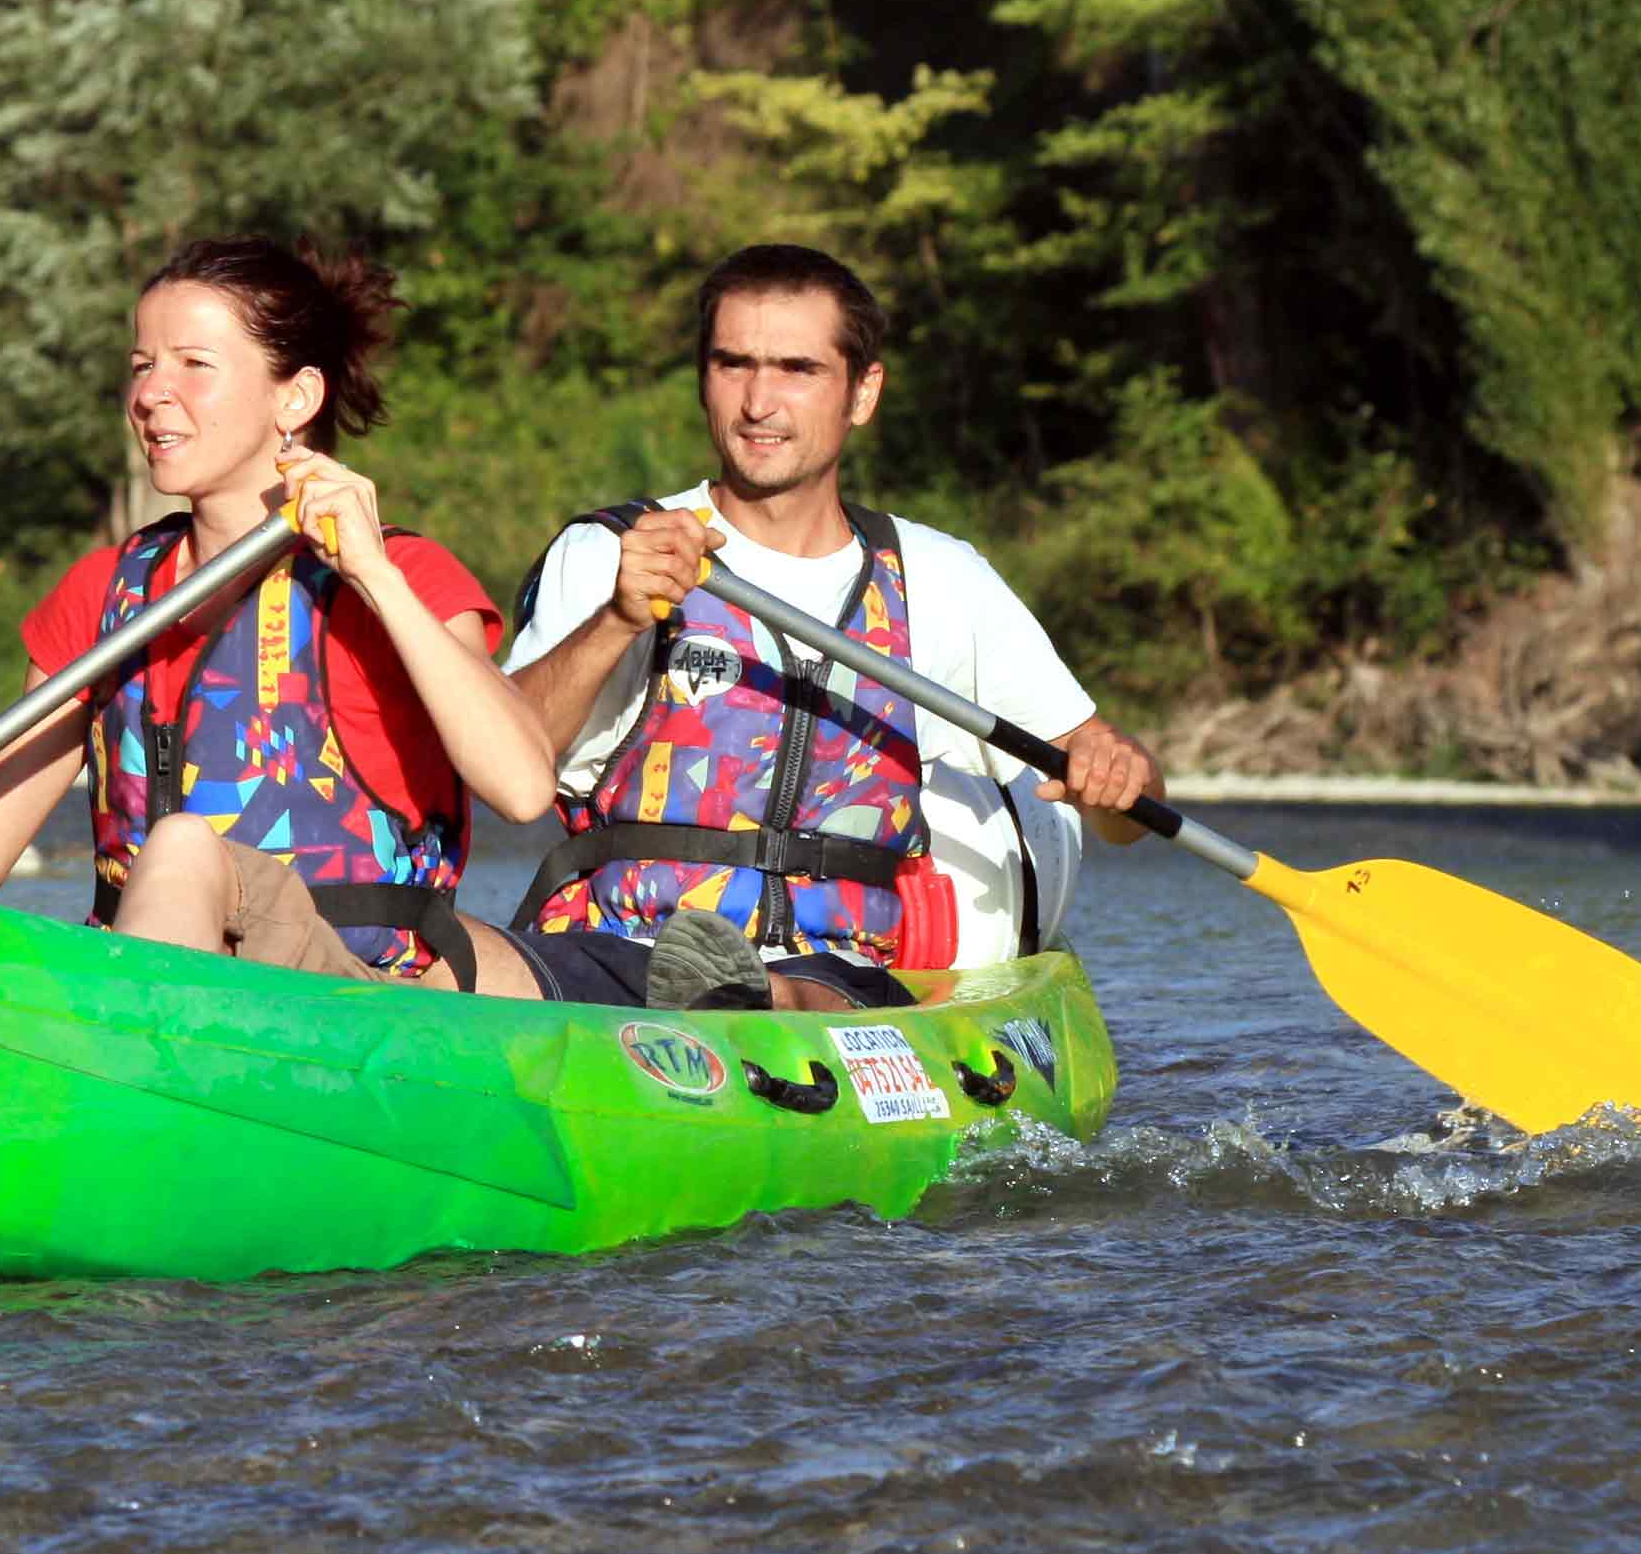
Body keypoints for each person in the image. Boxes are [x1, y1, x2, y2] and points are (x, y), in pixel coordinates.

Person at [465, 243, 1162, 1010]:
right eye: (734, 364)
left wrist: (1116, 772)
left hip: (837, 974)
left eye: (798, 370)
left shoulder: (939, 576)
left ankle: (740, 996)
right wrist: (617, 620)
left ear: (863, 394)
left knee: (794, 990)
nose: (759, 403)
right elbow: (510, 780)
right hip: (613, 947)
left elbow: (1125, 815)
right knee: (452, 955)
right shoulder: (613, 552)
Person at [0, 235, 553, 988]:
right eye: (142, 366)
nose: (150, 393)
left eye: (194, 366)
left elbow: (523, 790)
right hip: (153, 979)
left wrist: (375, 578)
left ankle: (129, 1065)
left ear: (295, 397)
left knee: (184, 847)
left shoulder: (403, 577)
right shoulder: (104, 593)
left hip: (353, 993)